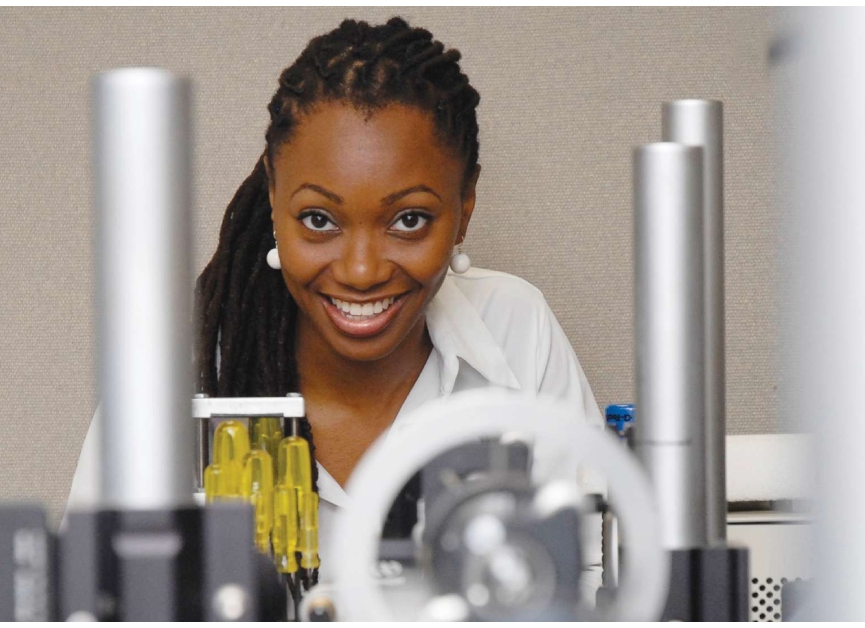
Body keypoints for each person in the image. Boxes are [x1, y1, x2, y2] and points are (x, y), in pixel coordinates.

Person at [66, 16, 604, 594]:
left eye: (409, 220)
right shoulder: (171, 369)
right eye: (319, 220)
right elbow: (92, 598)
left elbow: (598, 580)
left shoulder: (516, 333)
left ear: (466, 204)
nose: (361, 271)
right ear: (274, 197)